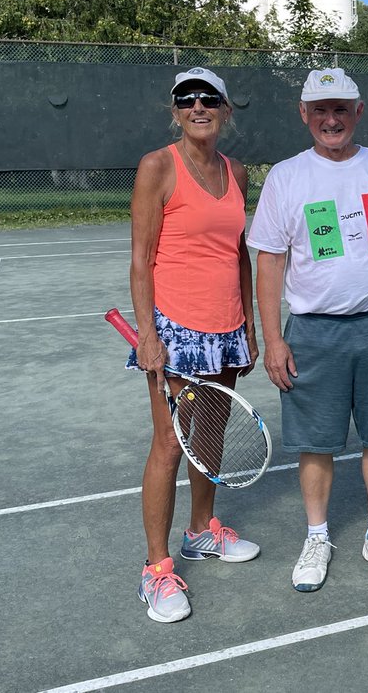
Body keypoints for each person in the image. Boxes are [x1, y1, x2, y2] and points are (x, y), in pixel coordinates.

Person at [250, 67, 368, 593]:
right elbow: (269, 262)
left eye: (341, 109)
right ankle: (318, 536)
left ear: (358, 112)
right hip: (311, 332)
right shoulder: (285, 177)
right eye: (320, 110)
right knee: (316, 444)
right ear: (304, 114)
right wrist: (275, 338)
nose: (332, 119)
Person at [127, 66, 261, 623]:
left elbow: (239, 254)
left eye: (210, 99)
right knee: (168, 443)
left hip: (225, 326)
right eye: (188, 100)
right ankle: (156, 571)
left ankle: (202, 532)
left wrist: (249, 326)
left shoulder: (238, 171)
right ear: (175, 110)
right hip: (174, 329)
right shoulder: (158, 167)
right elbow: (140, 260)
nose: (199, 107)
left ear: (226, 111)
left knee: (208, 438)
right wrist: (149, 337)